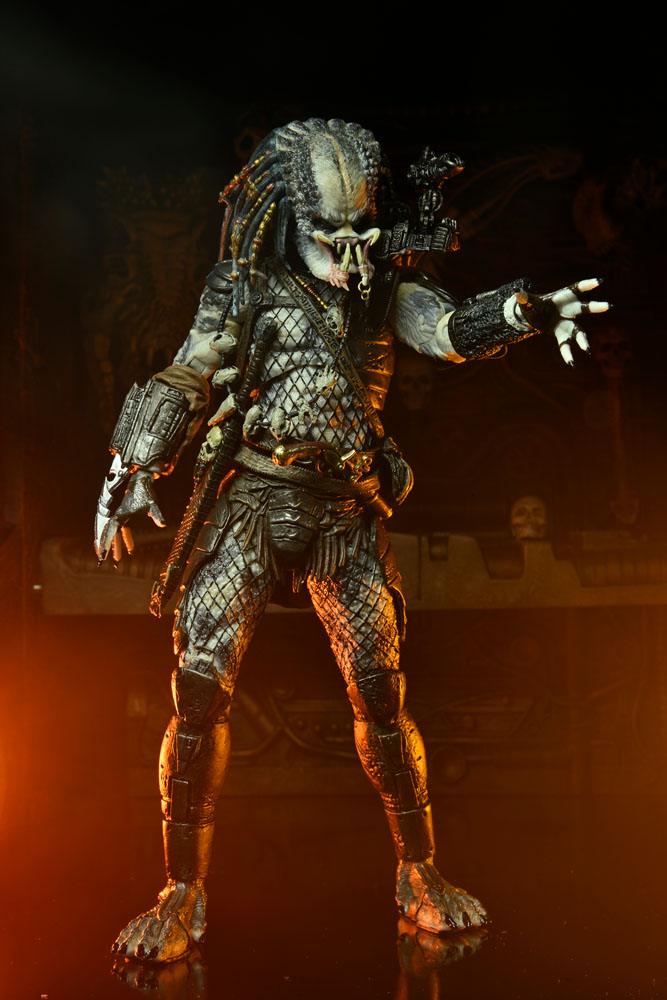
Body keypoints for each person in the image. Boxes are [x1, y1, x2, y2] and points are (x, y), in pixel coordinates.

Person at [95, 118, 608, 963]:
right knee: (197, 691)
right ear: (286, 221)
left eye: (361, 230)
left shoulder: (385, 288)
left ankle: (418, 870)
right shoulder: (245, 286)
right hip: (252, 504)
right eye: (327, 233)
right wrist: (132, 464)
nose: (350, 251)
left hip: (345, 514)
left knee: (380, 695)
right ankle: (180, 889)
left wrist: (522, 309)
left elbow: (446, 331)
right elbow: (190, 370)